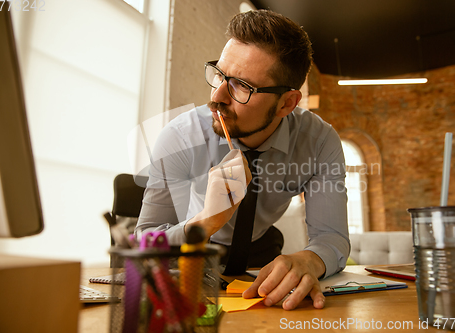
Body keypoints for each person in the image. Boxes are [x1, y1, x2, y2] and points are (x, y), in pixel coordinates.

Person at [135, 9, 349, 310]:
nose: (217, 96)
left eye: (242, 86)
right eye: (219, 75)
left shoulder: (319, 142)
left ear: (287, 103)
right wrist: (205, 221)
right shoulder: (180, 138)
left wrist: (310, 260)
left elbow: (332, 236)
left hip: (262, 262)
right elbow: (144, 241)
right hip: (193, 261)